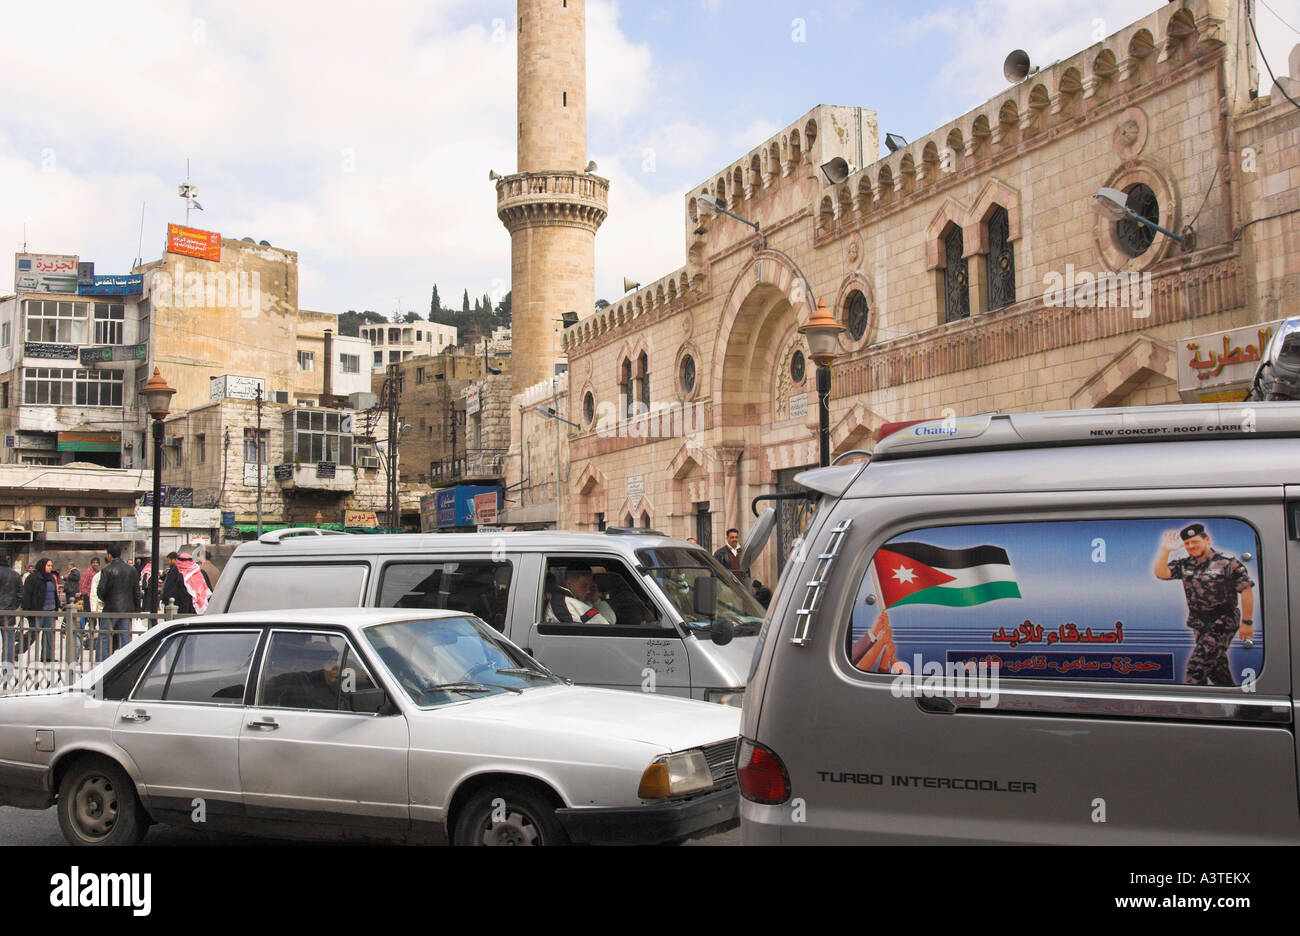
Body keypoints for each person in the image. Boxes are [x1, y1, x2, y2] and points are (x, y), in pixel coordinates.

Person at [1154, 523, 1255, 686]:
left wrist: (1247, 622)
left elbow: (1246, 590)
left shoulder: (1227, 563)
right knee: (1216, 670)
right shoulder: (1185, 564)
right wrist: (1165, 551)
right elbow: (1161, 573)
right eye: (1187, 543)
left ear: (1206, 539)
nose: (1191, 546)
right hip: (1200, 622)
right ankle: (1236, 703)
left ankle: (1193, 708)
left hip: (1223, 620)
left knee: (1196, 667)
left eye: (1195, 541)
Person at [96, 545, 142, 660]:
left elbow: (100, 591)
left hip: (110, 609)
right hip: (126, 610)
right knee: (125, 638)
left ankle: (102, 663)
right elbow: (137, 592)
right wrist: (137, 608)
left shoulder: (106, 570)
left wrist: (107, 600)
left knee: (105, 637)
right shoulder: (132, 570)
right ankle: (124, 663)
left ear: (109, 555)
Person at [20, 557, 62, 663]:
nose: (50, 567)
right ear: (42, 566)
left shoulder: (51, 577)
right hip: (38, 611)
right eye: (48, 565)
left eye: (51, 566)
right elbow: (27, 595)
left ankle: (47, 656)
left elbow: (54, 594)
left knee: (49, 634)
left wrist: (58, 606)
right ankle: (17, 650)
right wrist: (26, 610)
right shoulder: (32, 578)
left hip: (50, 611)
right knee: (33, 634)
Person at [544, 568, 615, 625]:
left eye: (590, 586)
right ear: (569, 584)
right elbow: (576, 635)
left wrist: (596, 600)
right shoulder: (560, 603)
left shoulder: (584, 600)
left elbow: (611, 621)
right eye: (584, 586)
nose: (588, 591)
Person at [0, 557, 22, 665]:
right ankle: (7, 664)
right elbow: (20, 594)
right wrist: (13, 606)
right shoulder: (16, 575)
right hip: (9, 612)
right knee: (8, 639)